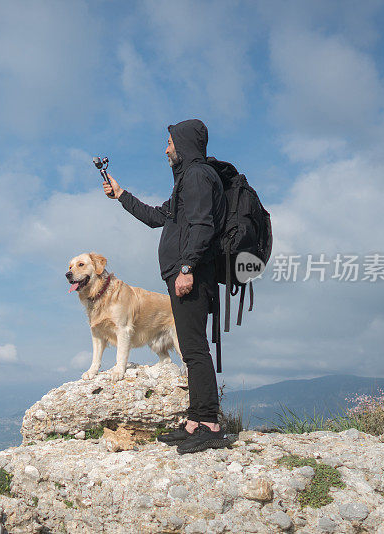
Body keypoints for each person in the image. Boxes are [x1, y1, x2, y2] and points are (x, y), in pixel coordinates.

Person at [102, 119, 228, 453]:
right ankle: (194, 421)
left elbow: (203, 225)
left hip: (192, 275)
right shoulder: (187, 180)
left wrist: (187, 267)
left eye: (170, 142)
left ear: (184, 144)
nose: (166, 148)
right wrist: (122, 195)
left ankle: (210, 425)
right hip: (182, 274)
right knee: (190, 345)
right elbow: (158, 217)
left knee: (195, 348)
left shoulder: (199, 176)